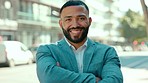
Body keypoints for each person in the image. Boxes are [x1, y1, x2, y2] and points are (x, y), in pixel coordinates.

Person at [36, 0, 123, 83]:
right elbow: (48, 78)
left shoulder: (107, 52)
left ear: (89, 21)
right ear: (61, 24)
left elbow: (115, 80)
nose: (75, 25)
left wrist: (63, 78)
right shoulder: (48, 51)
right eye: (68, 19)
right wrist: (93, 79)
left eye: (81, 18)